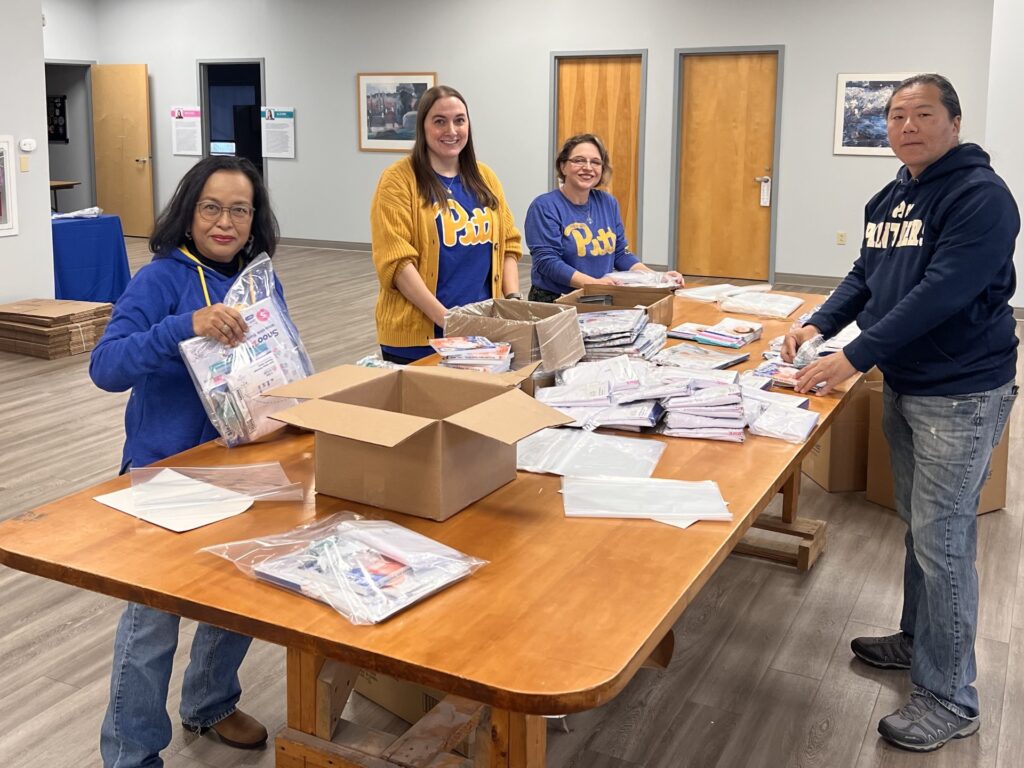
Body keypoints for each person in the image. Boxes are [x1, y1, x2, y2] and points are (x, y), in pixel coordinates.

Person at [782, 74, 1018, 752]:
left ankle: (951, 696)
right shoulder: (890, 196)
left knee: (944, 542)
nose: (906, 126)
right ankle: (919, 640)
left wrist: (855, 357)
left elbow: (943, 292)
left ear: (954, 121)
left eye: (921, 114)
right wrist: (819, 322)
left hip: (961, 390)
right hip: (911, 383)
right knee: (920, 527)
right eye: (894, 116)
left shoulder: (980, 198)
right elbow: (866, 275)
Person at [90, 155, 286, 767]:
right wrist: (185, 327)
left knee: (237, 600)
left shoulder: (260, 281)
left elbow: (277, 359)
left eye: (239, 209)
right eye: (211, 207)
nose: (225, 221)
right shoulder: (159, 281)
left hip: (242, 466)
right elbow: (107, 367)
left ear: (254, 220)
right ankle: (131, 754)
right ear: (189, 213)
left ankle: (210, 704)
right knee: (152, 624)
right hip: (163, 473)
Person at [370, 85, 522, 363]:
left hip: (480, 332)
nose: (451, 130)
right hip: (419, 339)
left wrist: (512, 301)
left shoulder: (484, 177)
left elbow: (508, 245)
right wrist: (449, 321)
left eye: (459, 120)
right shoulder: (398, 180)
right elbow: (397, 263)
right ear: (423, 127)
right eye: (439, 121)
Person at [524, 133, 682, 301]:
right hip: (555, 300)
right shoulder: (544, 206)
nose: (588, 167)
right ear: (563, 167)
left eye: (595, 162)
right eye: (578, 160)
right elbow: (547, 262)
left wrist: (658, 278)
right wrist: (594, 284)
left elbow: (620, 254)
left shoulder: (608, 202)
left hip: (598, 295)